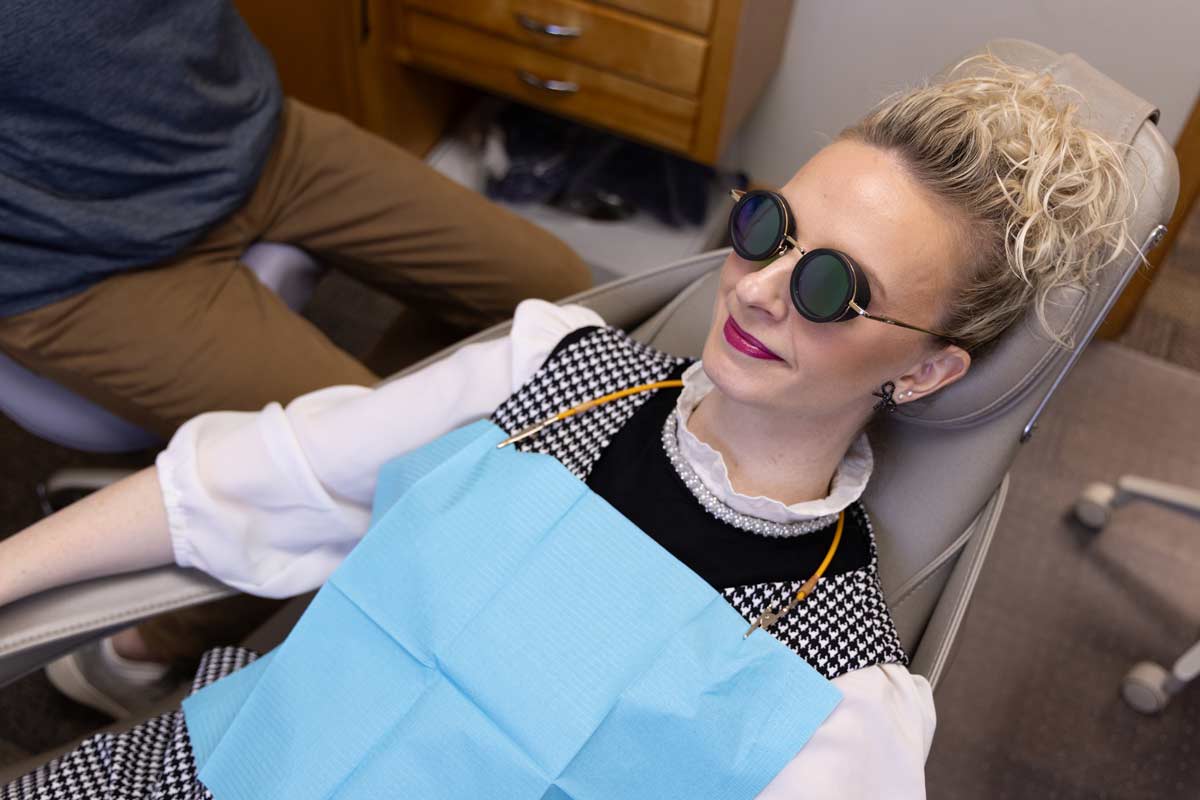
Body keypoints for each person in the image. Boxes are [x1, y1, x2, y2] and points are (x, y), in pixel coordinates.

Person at [0, 54, 1137, 798]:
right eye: (767, 223)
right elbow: (238, 483)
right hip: (203, 768)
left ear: (929, 367)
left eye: (835, 287)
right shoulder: (550, 373)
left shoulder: (841, 699)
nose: (756, 289)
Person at [0, 0, 591, 679]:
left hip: (252, 139)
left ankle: (324, 413)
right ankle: (137, 654)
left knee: (559, 302)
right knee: (382, 479)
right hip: (77, 257)